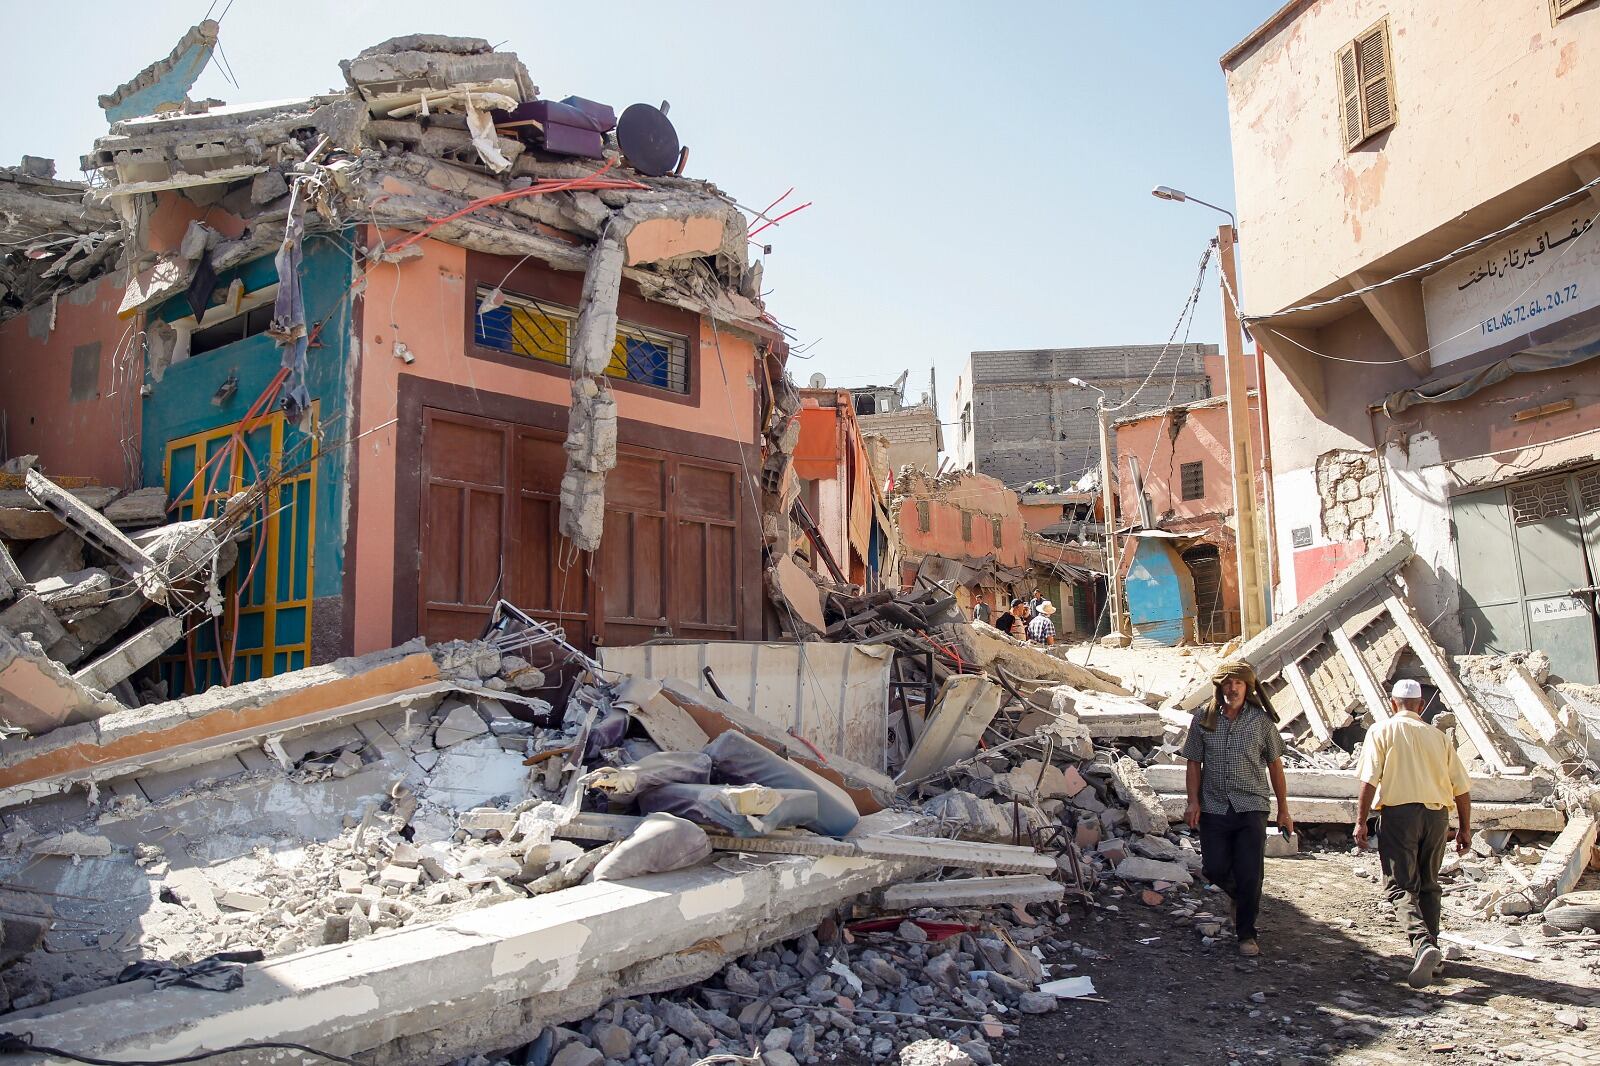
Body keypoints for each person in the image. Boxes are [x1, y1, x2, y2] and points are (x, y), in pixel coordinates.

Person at [1354, 678, 1472, 989]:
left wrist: (1361, 821)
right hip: (1436, 817)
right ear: (1421, 706)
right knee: (1429, 885)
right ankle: (1434, 955)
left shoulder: (1381, 731)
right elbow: (1461, 787)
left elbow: (1369, 780)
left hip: (1400, 816)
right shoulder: (1439, 737)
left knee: (1399, 886)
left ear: (1392, 704)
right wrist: (1464, 828)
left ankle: (1422, 944)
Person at [1182, 661, 1293, 957]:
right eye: (1227, 683)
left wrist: (1283, 809)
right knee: (1213, 868)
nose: (1232, 689)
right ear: (1220, 687)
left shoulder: (1261, 721)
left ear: (1248, 687)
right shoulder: (1203, 719)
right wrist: (1193, 801)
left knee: (1250, 872)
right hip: (1214, 805)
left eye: (1238, 683)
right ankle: (1241, 896)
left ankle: (1246, 934)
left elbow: (1275, 765)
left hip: (1251, 806)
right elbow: (1193, 762)